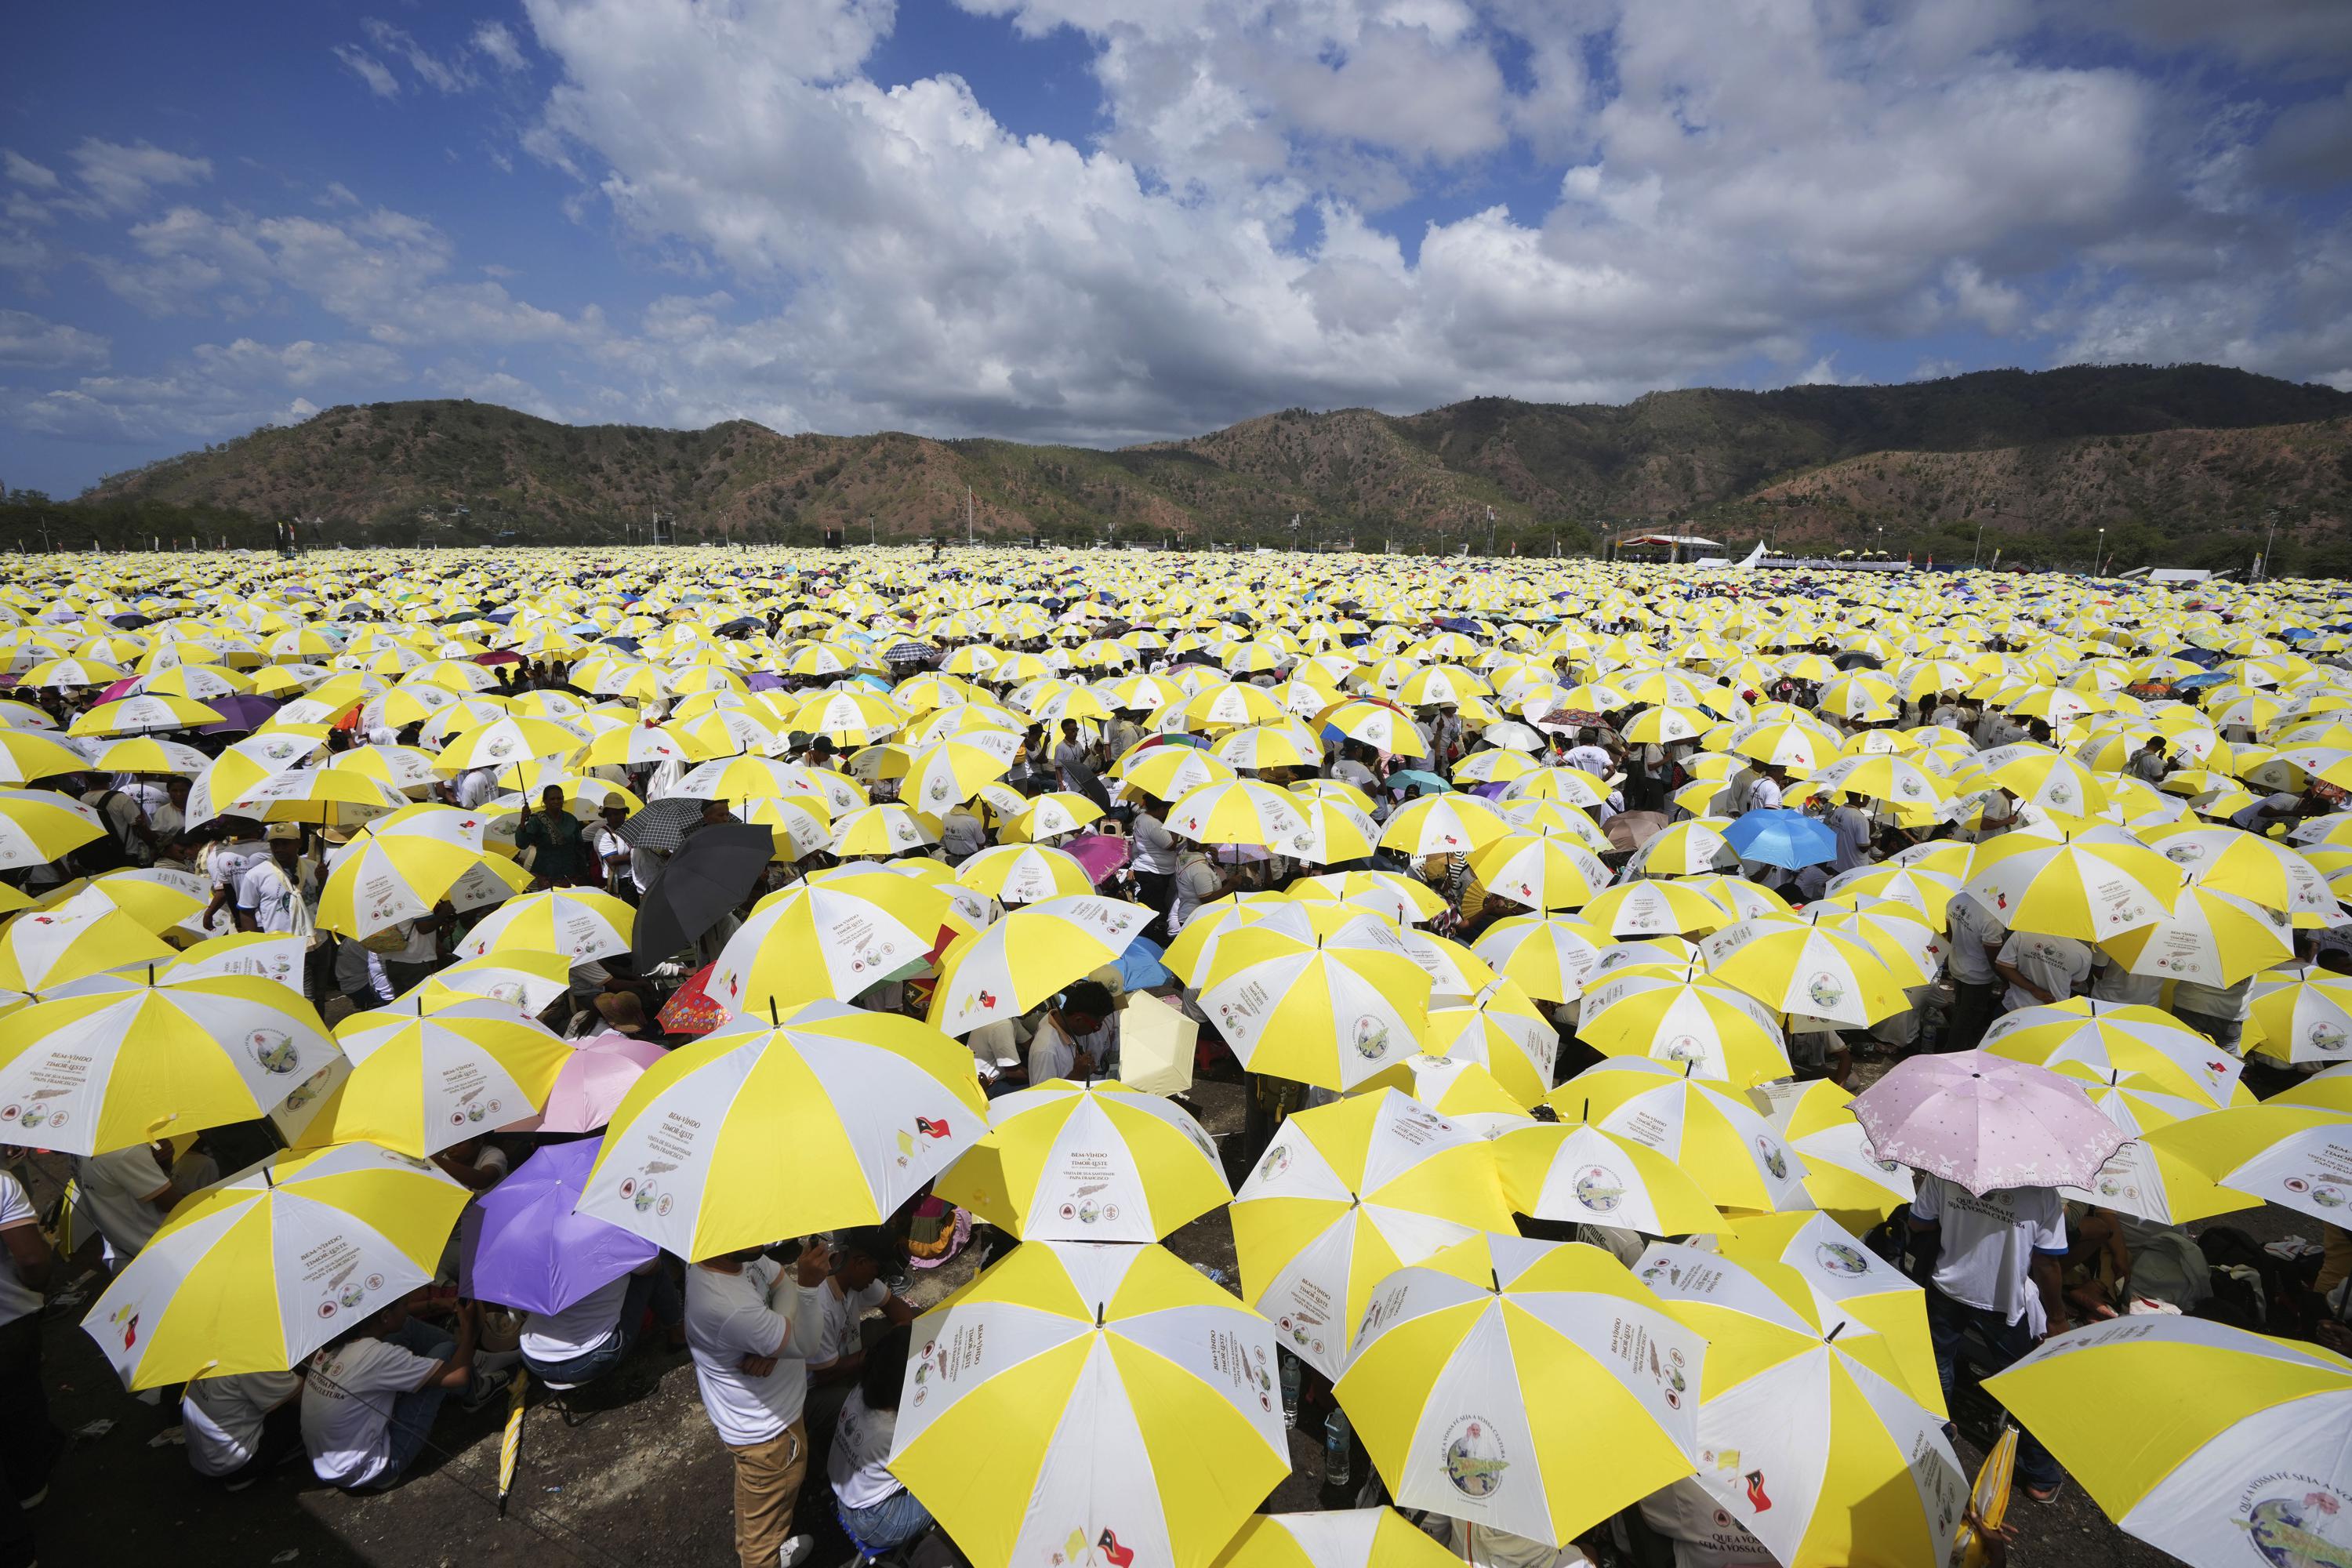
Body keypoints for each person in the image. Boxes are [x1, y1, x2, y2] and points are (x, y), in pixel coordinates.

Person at [1908, 1175, 2069, 1501]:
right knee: (2023, 1382)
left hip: (1948, 1286)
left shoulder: (1946, 1169)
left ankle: (1938, 1433)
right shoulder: (2044, 1192)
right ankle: (2039, 1473)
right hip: (2003, 1300)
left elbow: (1919, 1222)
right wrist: (2057, 1317)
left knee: (1939, 1362)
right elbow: (2047, 1262)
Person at [685, 1236, 833, 1568]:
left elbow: (781, 1283)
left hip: (750, 1421)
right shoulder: (728, 1304)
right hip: (771, 1434)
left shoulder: (725, 1252)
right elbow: (809, 1342)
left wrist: (775, 1344)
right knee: (764, 1537)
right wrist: (808, 1288)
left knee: (754, 1510)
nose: (758, 1236)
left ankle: (755, 1548)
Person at [302, 1296, 489, 1491]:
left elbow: (397, 1318)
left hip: (329, 1464)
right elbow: (457, 1376)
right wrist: (470, 1331)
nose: (408, 1308)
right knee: (447, 1350)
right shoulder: (377, 1356)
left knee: (406, 1327)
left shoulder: (333, 1341)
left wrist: (434, 1302)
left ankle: (471, 1362)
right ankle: (478, 1389)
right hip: (375, 1467)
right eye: (405, 1304)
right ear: (385, 1317)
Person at [829, 1324, 935, 1553]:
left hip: (845, 1495)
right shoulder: (893, 1431)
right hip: (878, 1521)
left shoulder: (861, 1390)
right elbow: (931, 1463)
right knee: (951, 1482)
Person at [518, 1258, 684, 1389]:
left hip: (535, 1359)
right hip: (592, 1358)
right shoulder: (610, 1231)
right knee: (653, 1269)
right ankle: (678, 1332)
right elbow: (652, 1266)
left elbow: (516, 1316)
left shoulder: (527, 1250)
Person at [0, 1167, 60, 1512]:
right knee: (20, 1405)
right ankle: (30, 1486)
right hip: (9, 1325)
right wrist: (38, 1284)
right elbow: (33, 1258)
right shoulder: (4, 1183)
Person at [68, 1141, 188, 1268]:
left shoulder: (79, 1147)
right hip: (162, 1252)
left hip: (124, 1252)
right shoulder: (124, 1149)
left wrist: (162, 1160)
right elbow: (173, 1205)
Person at [183, 1370, 305, 1490]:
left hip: (202, 1459)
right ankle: (253, 1469)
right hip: (236, 1466)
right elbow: (303, 1396)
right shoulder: (252, 1362)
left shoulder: (214, 1352)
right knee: (303, 1405)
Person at [1994, 928, 2092, 1014]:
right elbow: (2076, 982)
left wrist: (2033, 989)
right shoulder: (2084, 953)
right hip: (2053, 1011)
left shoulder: (2022, 934)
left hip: (2015, 1007)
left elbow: (2003, 966)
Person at [516, 785, 590, 886]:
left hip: (570, 875)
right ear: (545, 801)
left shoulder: (571, 819)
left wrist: (583, 873)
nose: (556, 802)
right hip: (547, 876)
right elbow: (521, 844)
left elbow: (579, 847)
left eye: (559, 798)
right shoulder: (537, 820)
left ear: (563, 799)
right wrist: (522, 821)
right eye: (552, 799)